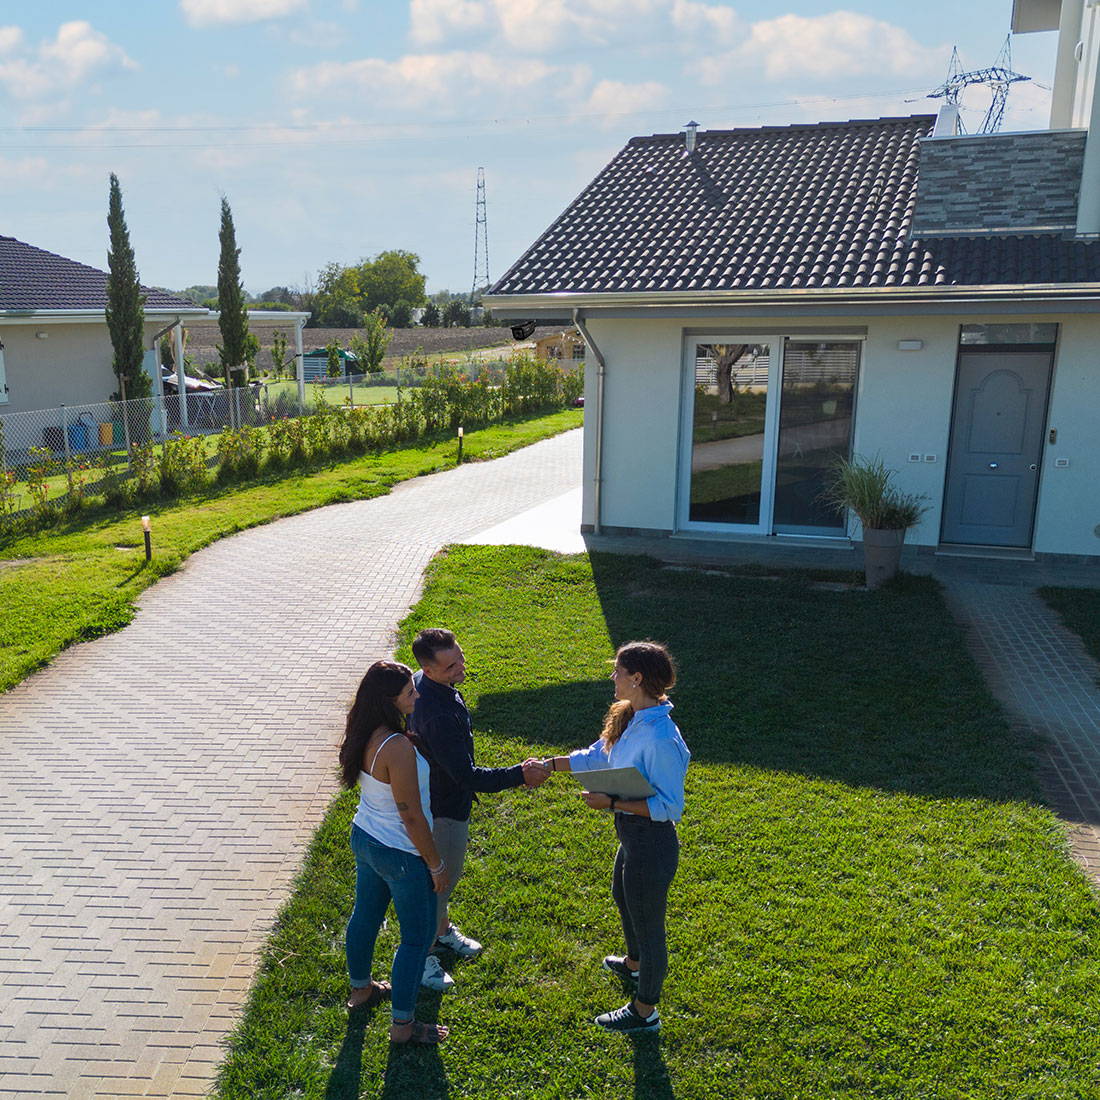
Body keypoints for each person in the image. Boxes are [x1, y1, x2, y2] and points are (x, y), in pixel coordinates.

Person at [541, 640, 689, 1034]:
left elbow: (670, 807)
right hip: (633, 837)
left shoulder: (660, 739)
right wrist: (549, 766)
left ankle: (645, 1011)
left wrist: (612, 803)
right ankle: (635, 963)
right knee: (622, 896)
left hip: (652, 841)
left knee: (648, 922)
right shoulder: (631, 717)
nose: (613, 677)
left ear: (637, 678)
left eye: (618, 671)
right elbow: (597, 756)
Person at [409, 628, 549, 991]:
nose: (461, 668)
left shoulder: (425, 684)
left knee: (442, 881)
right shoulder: (435, 714)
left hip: (442, 800)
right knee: (440, 882)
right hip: (443, 809)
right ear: (427, 667)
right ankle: (421, 956)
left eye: (460, 658)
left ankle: (440, 931)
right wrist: (521, 774)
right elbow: (466, 776)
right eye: (451, 666)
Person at [338, 660, 451, 1045]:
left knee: (365, 917)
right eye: (409, 693)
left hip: (365, 837)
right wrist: (435, 864)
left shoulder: (364, 729)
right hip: (400, 853)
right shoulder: (397, 746)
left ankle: (361, 989)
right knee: (416, 939)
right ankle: (403, 1026)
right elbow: (411, 815)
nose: (416, 696)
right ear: (389, 701)